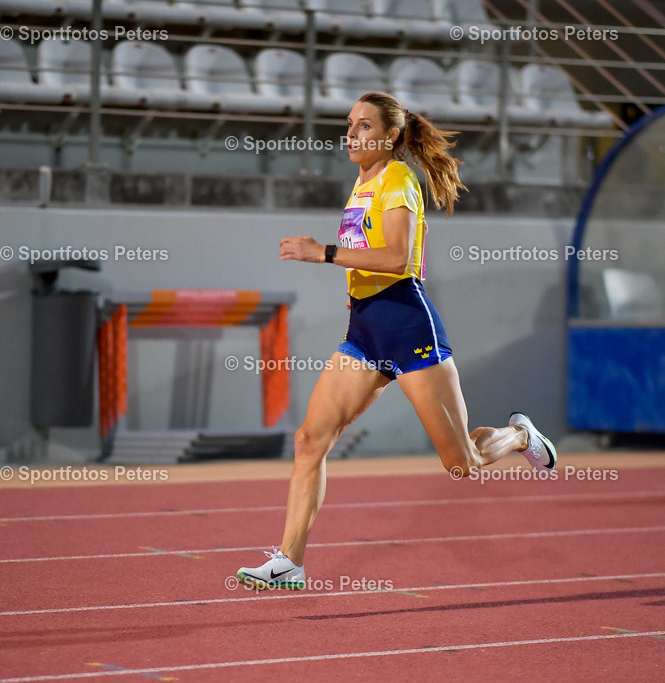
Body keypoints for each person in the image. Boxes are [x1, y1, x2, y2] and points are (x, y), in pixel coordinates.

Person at [236, 92, 557, 591]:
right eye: (349, 124)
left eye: (364, 126)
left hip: (408, 327)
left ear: (390, 136)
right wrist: (352, 290)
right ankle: (289, 562)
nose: (351, 133)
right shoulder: (362, 182)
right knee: (309, 440)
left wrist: (322, 253)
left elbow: (397, 259)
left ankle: (520, 437)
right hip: (365, 332)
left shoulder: (398, 179)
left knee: (462, 465)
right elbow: (366, 255)